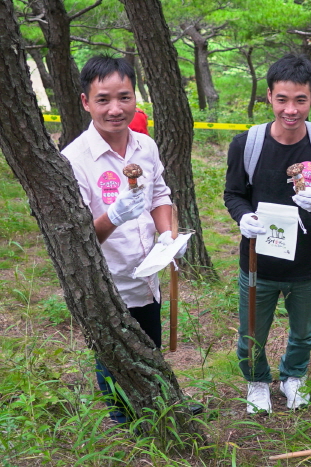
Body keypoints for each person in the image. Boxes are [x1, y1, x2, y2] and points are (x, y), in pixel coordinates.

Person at [62, 55, 189, 424]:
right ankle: (123, 423)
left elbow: (159, 195)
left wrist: (167, 236)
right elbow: (78, 239)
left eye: (124, 97)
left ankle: (157, 411)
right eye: (103, 99)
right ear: (86, 102)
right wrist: (115, 214)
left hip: (147, 276)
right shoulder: (73, 160)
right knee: (113, 356)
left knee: (149, 347)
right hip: (106, 283)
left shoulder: (145, 147)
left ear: (136, 97)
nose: (115, 109)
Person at [224, 54, 311, 414]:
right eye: (282, 99)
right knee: (252, 334)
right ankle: (257, 381)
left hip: (307, 262)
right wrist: (242, 216)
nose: (290, 109)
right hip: (257, 261)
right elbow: (233, 193)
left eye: (299, 100)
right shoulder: (247, 144)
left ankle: (293, 376)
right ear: (269, 97)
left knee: (303, 330)